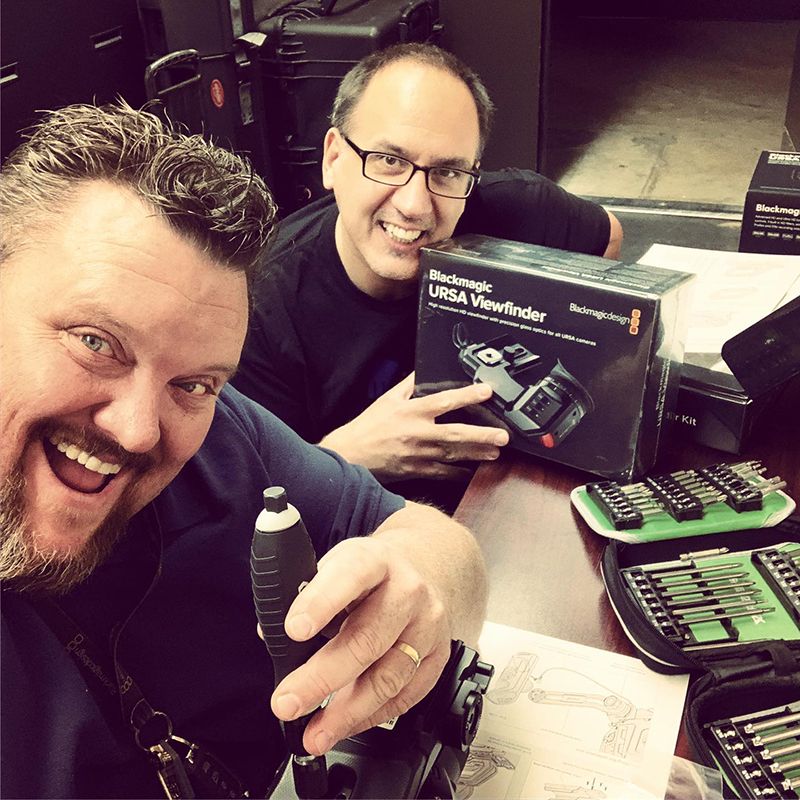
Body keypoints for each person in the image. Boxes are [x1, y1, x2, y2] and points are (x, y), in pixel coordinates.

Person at [0, 102, 487, 799]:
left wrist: (416, 589)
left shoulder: (223, 436)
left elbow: (438, 544)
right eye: (95, 342)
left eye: (193, 382)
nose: (139, 430)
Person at [232, 43, 623, 506]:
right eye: (389, 161)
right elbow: (251, 504)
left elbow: (610, 236)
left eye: (448, 172)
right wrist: (346, 456)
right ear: (333, 159)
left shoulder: (521, 210)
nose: (415, 205)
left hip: (512, 499)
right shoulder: (257, 305)